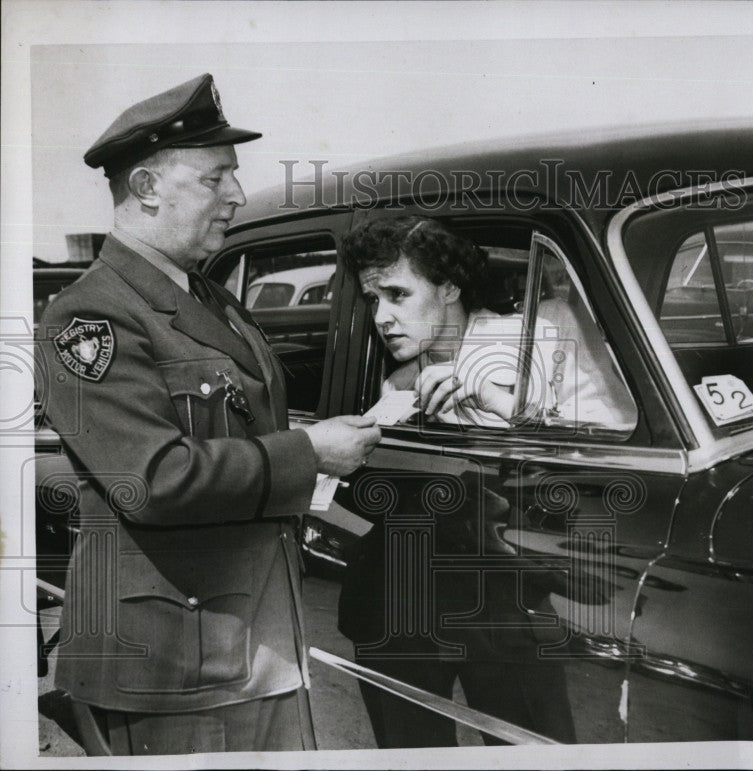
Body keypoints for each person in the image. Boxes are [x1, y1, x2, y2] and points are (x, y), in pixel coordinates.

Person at [36, 74, 381, 755]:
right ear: (146, 188)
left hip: (250, 643)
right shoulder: (89, 314)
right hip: (170, 664)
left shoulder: (209, 298)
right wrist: (310, 450)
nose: (237, 196)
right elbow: (153, 478)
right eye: (215, 178)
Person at [337, 217, 576, 747]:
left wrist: (502, 403)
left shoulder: (532, 338)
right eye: (373, 299)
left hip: (506, 591)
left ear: (449, 287)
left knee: (534, 746)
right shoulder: (395, 381)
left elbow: (591, 444)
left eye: (398, 294)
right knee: (411, 749)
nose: (382, 317)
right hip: (401, 594)